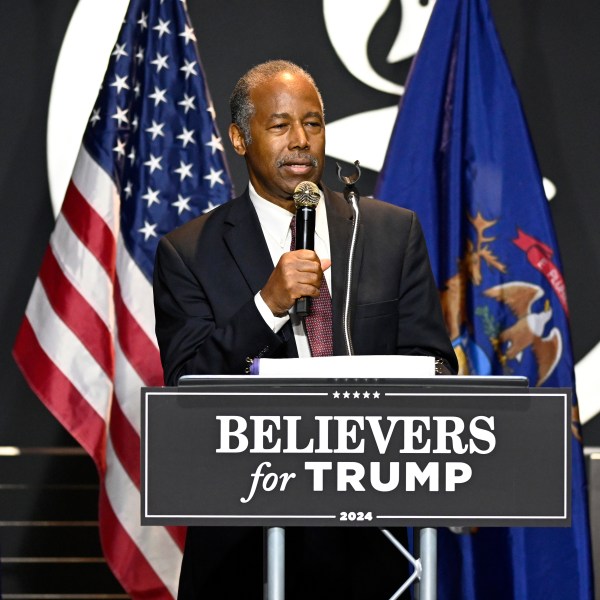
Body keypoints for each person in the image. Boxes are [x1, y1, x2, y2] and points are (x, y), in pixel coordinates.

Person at [153, 60, 457, 599]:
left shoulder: (390, 232)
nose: (300, 141)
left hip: (368, 542)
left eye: (312, 124)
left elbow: (435, 363)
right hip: (240, 544)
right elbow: (186, 389)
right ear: (240, 138)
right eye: (279, 126)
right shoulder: (189, 251)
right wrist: (267, 305)